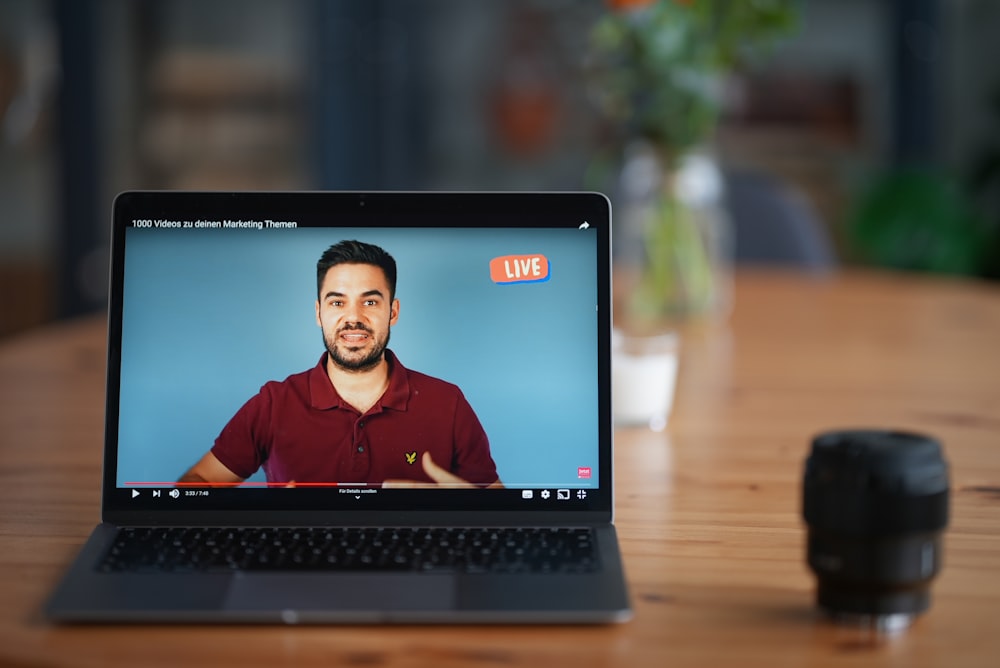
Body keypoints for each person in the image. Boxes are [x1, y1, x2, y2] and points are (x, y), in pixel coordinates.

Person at [178, 240, 501, 488]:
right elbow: (194, 485)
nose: (353, 318)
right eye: (337, 302)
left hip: (422, 565)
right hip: (294, 568)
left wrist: (460, 508)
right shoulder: (274, 403)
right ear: (319, 313)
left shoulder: (447, 402)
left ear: (394, 312)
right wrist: (261, 512)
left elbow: (499, 509)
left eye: (370, 302)